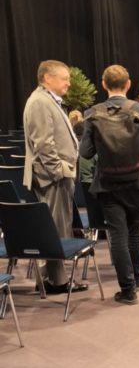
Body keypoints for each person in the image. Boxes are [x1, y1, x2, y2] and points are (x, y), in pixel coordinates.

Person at [79, 64, 139, 304]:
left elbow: (85, 153)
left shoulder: (92, 113)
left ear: (103, 84)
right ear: (128, 85)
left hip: (107, 183)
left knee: (117, 235)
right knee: (136, 232)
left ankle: (127, 290)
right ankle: (135, 279)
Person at [22, 59, 82, 294]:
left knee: (57, 227)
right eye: (64, 78)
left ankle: (51, 279)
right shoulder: (40, 102)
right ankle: (56, 282)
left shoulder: (46, 100)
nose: (68, 83)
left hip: (54, 177)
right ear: (48, 78)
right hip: (53, 178)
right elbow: (44, 145)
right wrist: (60, 172)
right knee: (56, 229)